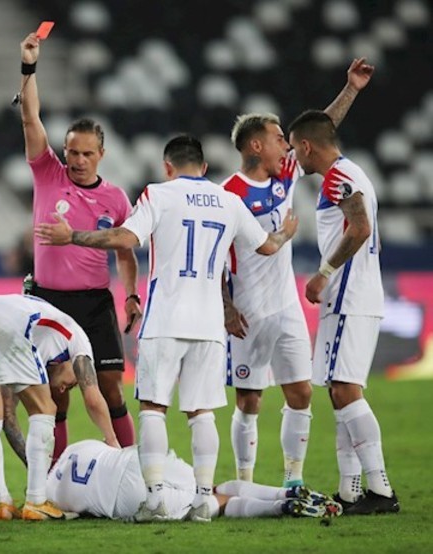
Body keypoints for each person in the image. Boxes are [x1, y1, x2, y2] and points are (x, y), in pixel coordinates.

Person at [36, 135, 298, 522]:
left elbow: (125, 237)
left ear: (168, 167)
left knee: (154, 409)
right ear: (204, 168)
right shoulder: (229, 200)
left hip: (166, 318)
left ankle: (156, 497)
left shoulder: (158, 194)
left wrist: (71, 236)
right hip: (209, 323)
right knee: (202, 412)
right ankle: (204, 500)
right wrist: (286, 232)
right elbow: (267, 247)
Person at [221, 58, 375, 488]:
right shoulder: (228, 194)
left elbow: (318, 130)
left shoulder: (285, 174)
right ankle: (245, 480)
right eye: (276, 139)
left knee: (301, 393)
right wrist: (227, 307)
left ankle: (293, 481)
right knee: (249, 400)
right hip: (247, 311)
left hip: (286, 304)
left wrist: (352, 89)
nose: (287, 147)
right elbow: (216, 260)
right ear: (255, 147)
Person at [18, 31, 141, 461]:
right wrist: (29, 67)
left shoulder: (116, 198)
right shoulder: (47, 174)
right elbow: (31, 119)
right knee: (56, 392)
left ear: (101, 155)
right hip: (49, 302)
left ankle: (130, 468)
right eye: (72, 151)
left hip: (93, 302)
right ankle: (53, 477)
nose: (77, 159)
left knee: (110, 386)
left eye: (86, 153)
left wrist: (130, 295)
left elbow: (126, 252)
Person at [288, 110, 400, 515]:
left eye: (295, 149)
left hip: (349, 296)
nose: (294, 159)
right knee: (339, 392)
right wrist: (352, 91)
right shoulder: (352, 172)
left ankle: (381, 490)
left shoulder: (339, 177)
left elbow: (361, 227)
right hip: (356, 296)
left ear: (306, 146)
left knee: (346, 391)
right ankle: (351, 491)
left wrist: (323, 274)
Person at [0, 294, 120, 521]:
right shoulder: (78, 340)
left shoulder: (38, 344)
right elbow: (93, 397)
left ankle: (3, 503)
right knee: (46, 408)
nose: (67, 388)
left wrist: (38, 467)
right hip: (2, 327)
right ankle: (37, 502)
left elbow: (8, 416)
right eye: (74, 383)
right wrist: (112, 441)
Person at [47, 440, 342, 521]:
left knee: (214, 503)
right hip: (137, 460)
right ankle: (284, 494)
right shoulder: (76, 448)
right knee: (208, 490)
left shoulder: (51, 493)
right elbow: (111, 445)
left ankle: (280, 509)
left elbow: (77, 512)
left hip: (121, 500)